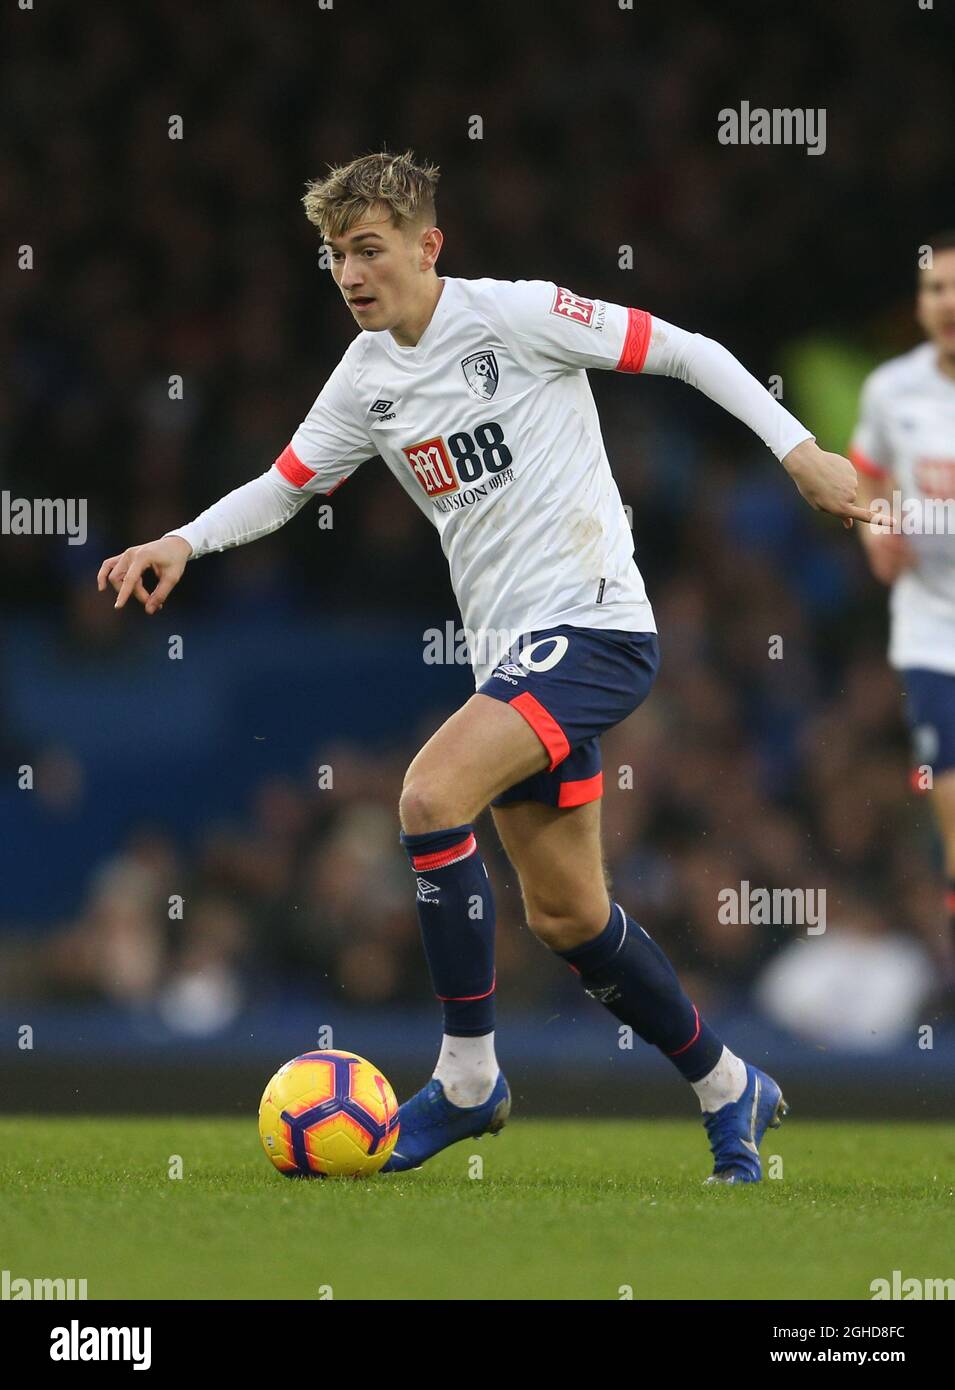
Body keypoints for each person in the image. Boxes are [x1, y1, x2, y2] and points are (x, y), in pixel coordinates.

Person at [98, 150, 876, 1182]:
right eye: (334, 256)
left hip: (595, 625)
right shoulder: (366, 379)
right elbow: (285, 485)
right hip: (513, 659)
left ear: (429, 246)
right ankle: (731, 1084)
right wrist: (183, 542)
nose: (350, 274)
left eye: (369, 249)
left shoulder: (513, 316)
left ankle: (469, 1079)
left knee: (427, 794)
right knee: (569, 915)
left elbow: (683, 350)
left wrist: (799, 450)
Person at [850, 232, 955, 985]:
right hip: (932, 628)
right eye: (932, 290)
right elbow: (866, 478)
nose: (945, 304)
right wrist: (874, 527)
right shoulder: (891, 389)